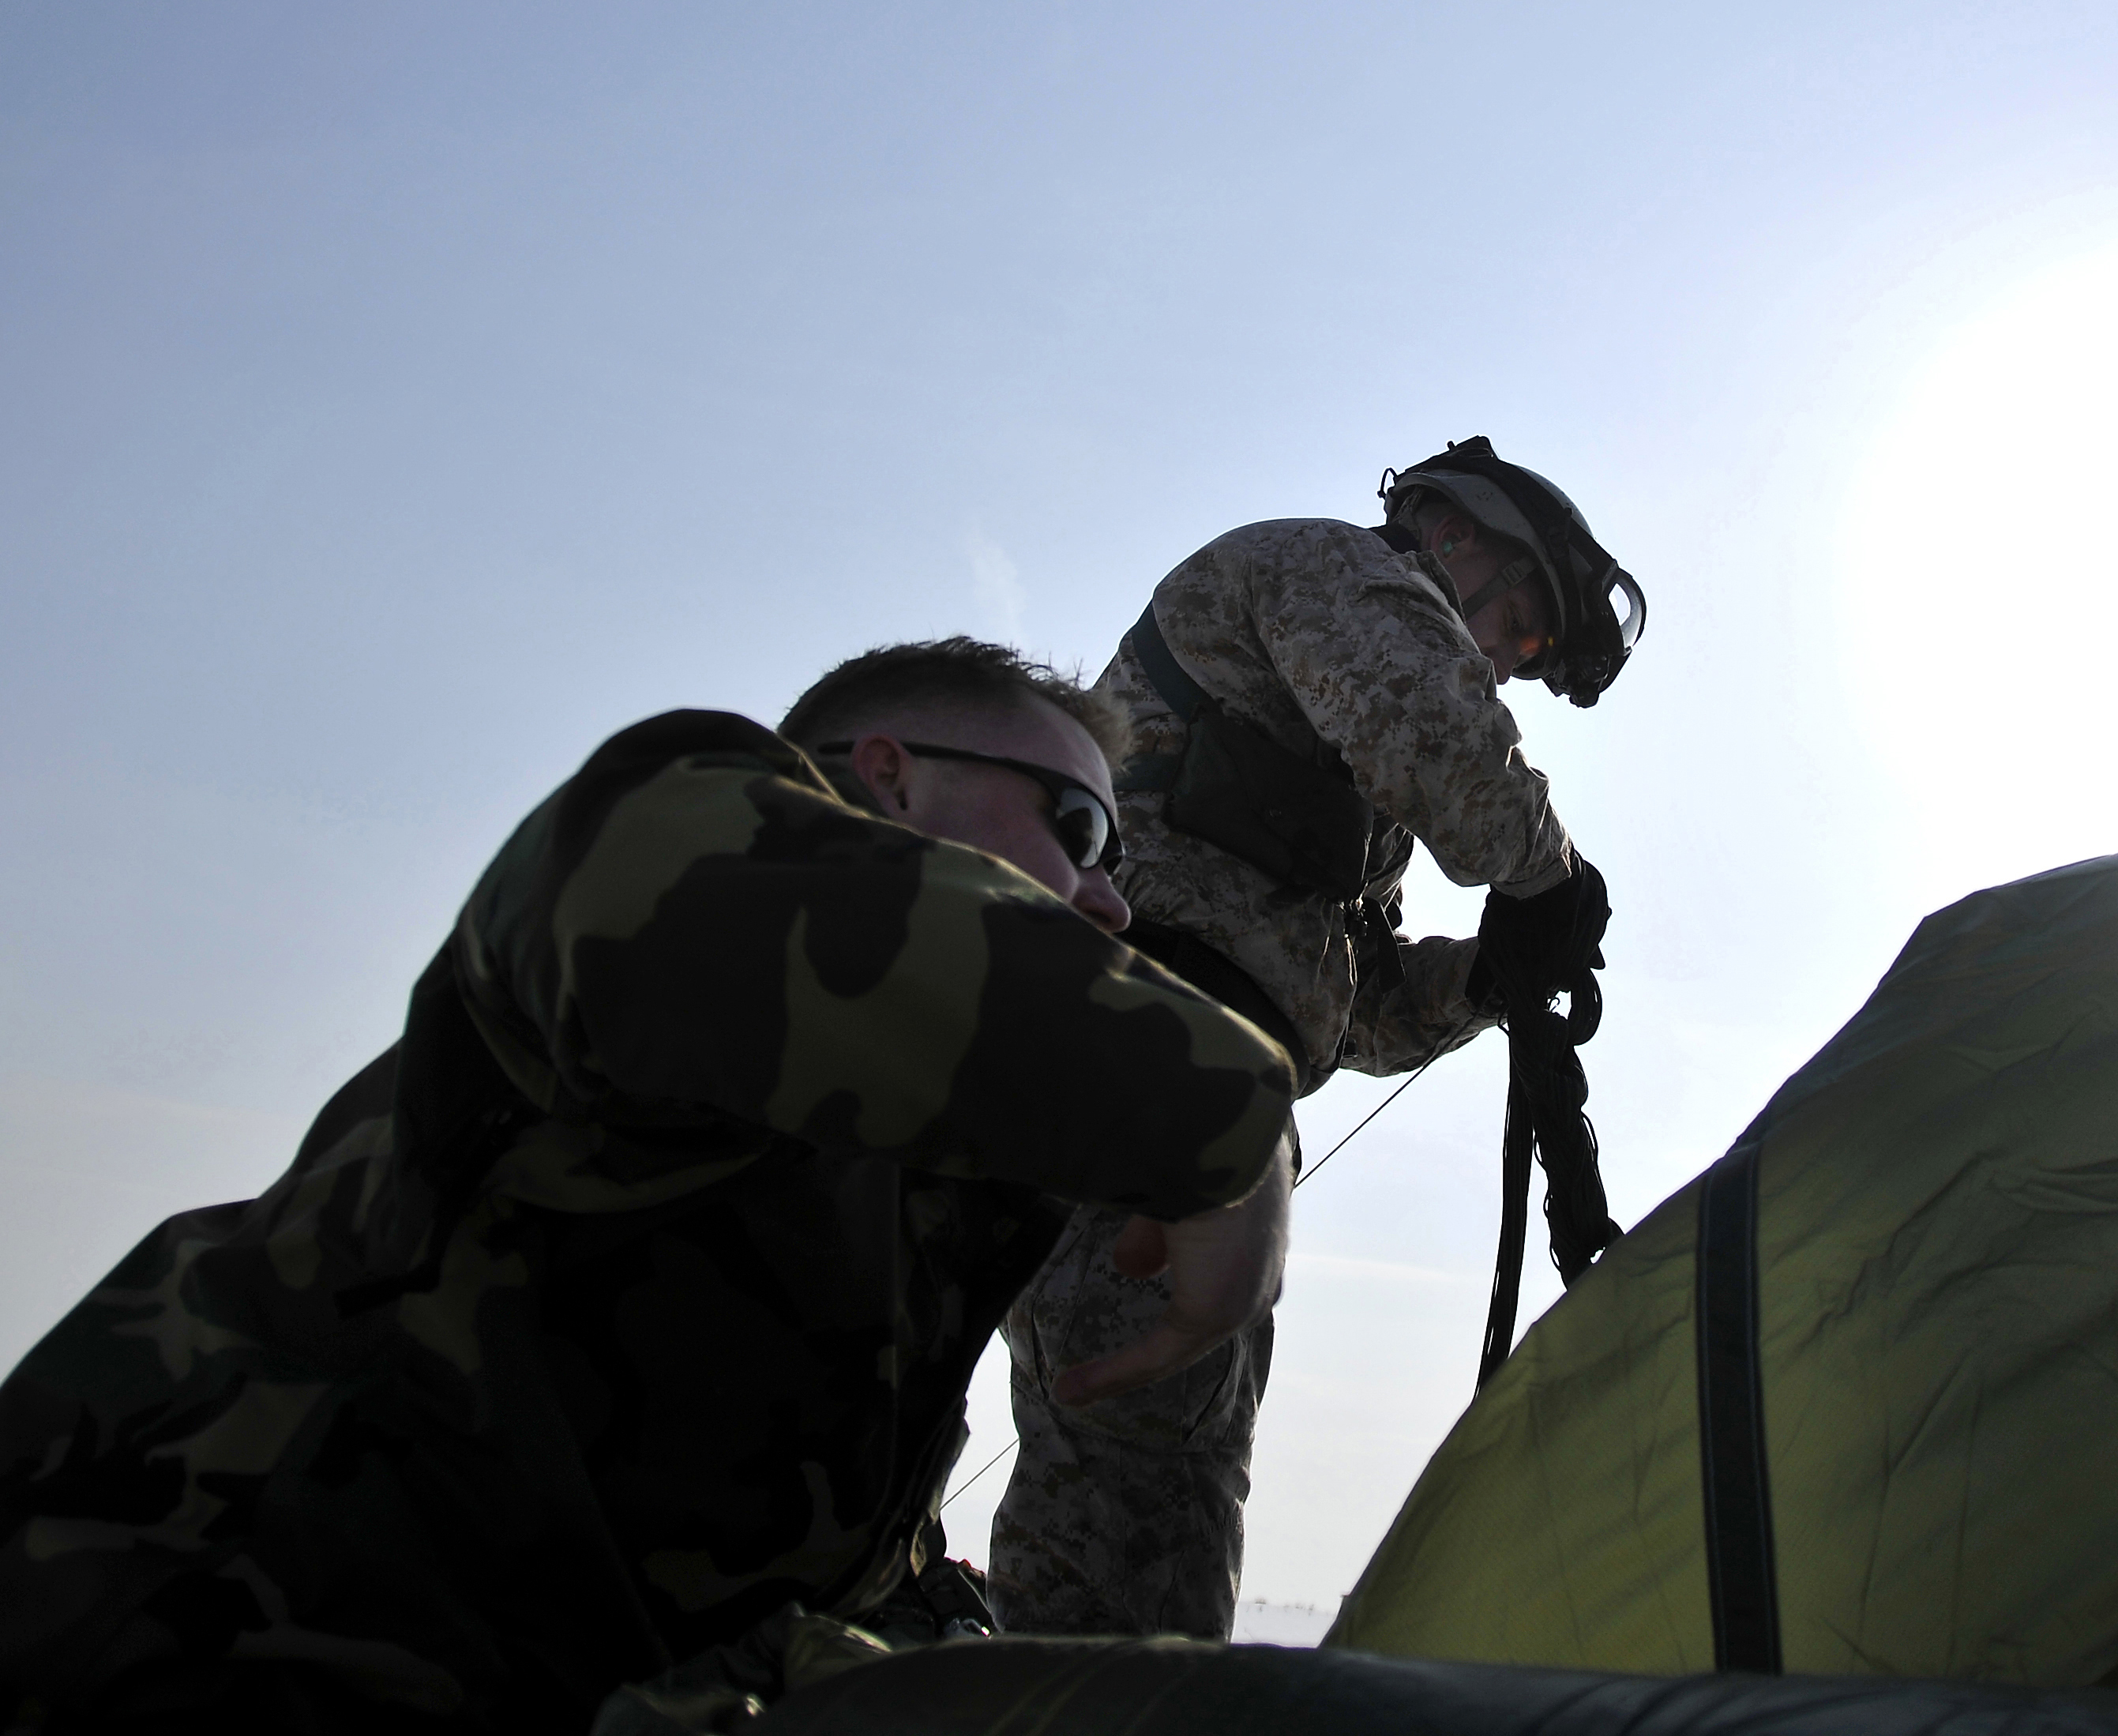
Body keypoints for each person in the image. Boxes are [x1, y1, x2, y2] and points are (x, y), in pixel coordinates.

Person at [0, 639, 1296, 1734]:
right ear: (887, 776)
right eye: (1075, 826)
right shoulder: (670, 850)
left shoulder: (892, 1194)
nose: (1109, 900)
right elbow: (691, 894)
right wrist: (1230, 1130)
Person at [990, 437, 1643, 1639]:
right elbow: (1431, 725)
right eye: (1517, 623)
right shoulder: (1328, 573)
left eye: (1527, 651)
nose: (1503, 661)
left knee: (1155, 1493)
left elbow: (1360, 1008)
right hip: (1128, 1072)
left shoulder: (1356, 795)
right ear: (1451, 535)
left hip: (1195, 1120)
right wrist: (1546, 878)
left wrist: (1490, 975)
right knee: (1137, 1515)